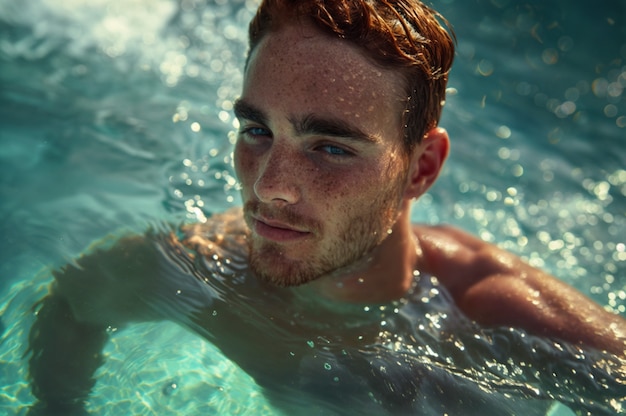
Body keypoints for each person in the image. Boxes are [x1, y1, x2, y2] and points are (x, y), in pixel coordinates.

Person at [26, 0, 625, 414]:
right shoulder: (199, 273)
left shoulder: (511, 328)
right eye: (257, 130)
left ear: (421, 168)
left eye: (331, 148)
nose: (269, 187)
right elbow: (73, 303)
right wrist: (58, 406)